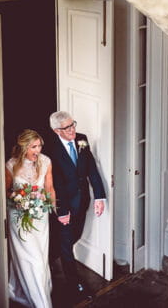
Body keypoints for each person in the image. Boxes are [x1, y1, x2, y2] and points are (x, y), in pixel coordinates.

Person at [44, 110, 106, 299]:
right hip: (64, 205)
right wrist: (61, 210)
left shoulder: (82, 139)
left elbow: (91, 169)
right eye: (67, 127)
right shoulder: (50, 150)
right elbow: (54, 183)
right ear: (56, 131)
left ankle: (50, 258)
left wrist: (99, 197)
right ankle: (74, 284)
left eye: (73, 124)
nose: (72, 130)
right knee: (66, 245)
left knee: (75, 235)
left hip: (83, 201)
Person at [5, 129, 56, 308]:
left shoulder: (46, 161)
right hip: (19, 218)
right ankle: (42, 303)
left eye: (39, 145)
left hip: (41, 218)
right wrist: (19, 198)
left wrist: (54, 209)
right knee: (31, 259)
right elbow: (6, 191)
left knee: (41, 258)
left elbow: (49, 188)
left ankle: (20, 289)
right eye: (33, 147)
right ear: (23, 148)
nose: (38, 150)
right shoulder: (11, 165)